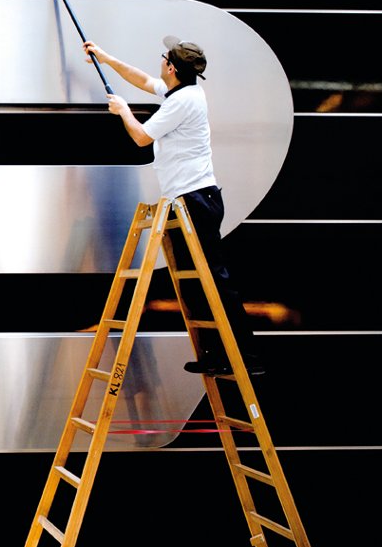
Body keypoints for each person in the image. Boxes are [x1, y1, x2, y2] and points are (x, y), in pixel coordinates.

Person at [83, 36, 264, 377]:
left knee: (215, 281)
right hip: (189, 200)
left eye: (164, 57)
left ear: (171, 68)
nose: (161, 61)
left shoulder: (181, 102)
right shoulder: (182, 91)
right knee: (196, 283)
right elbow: (142, 79)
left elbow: (141, 137)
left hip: (196, 200)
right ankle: (215, 353)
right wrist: (105, 58)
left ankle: (245, 357)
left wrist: (123, 111)